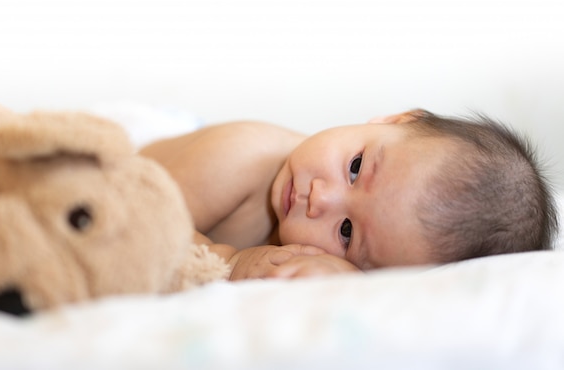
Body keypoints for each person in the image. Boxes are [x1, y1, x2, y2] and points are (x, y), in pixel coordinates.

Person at [139, 109, 559, 280]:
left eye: (346, 232)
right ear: (396, 119)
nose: (319, 197)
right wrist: (232, 261)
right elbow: (139, 228)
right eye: (356, 167)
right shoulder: (238, 155)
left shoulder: (319, 263)